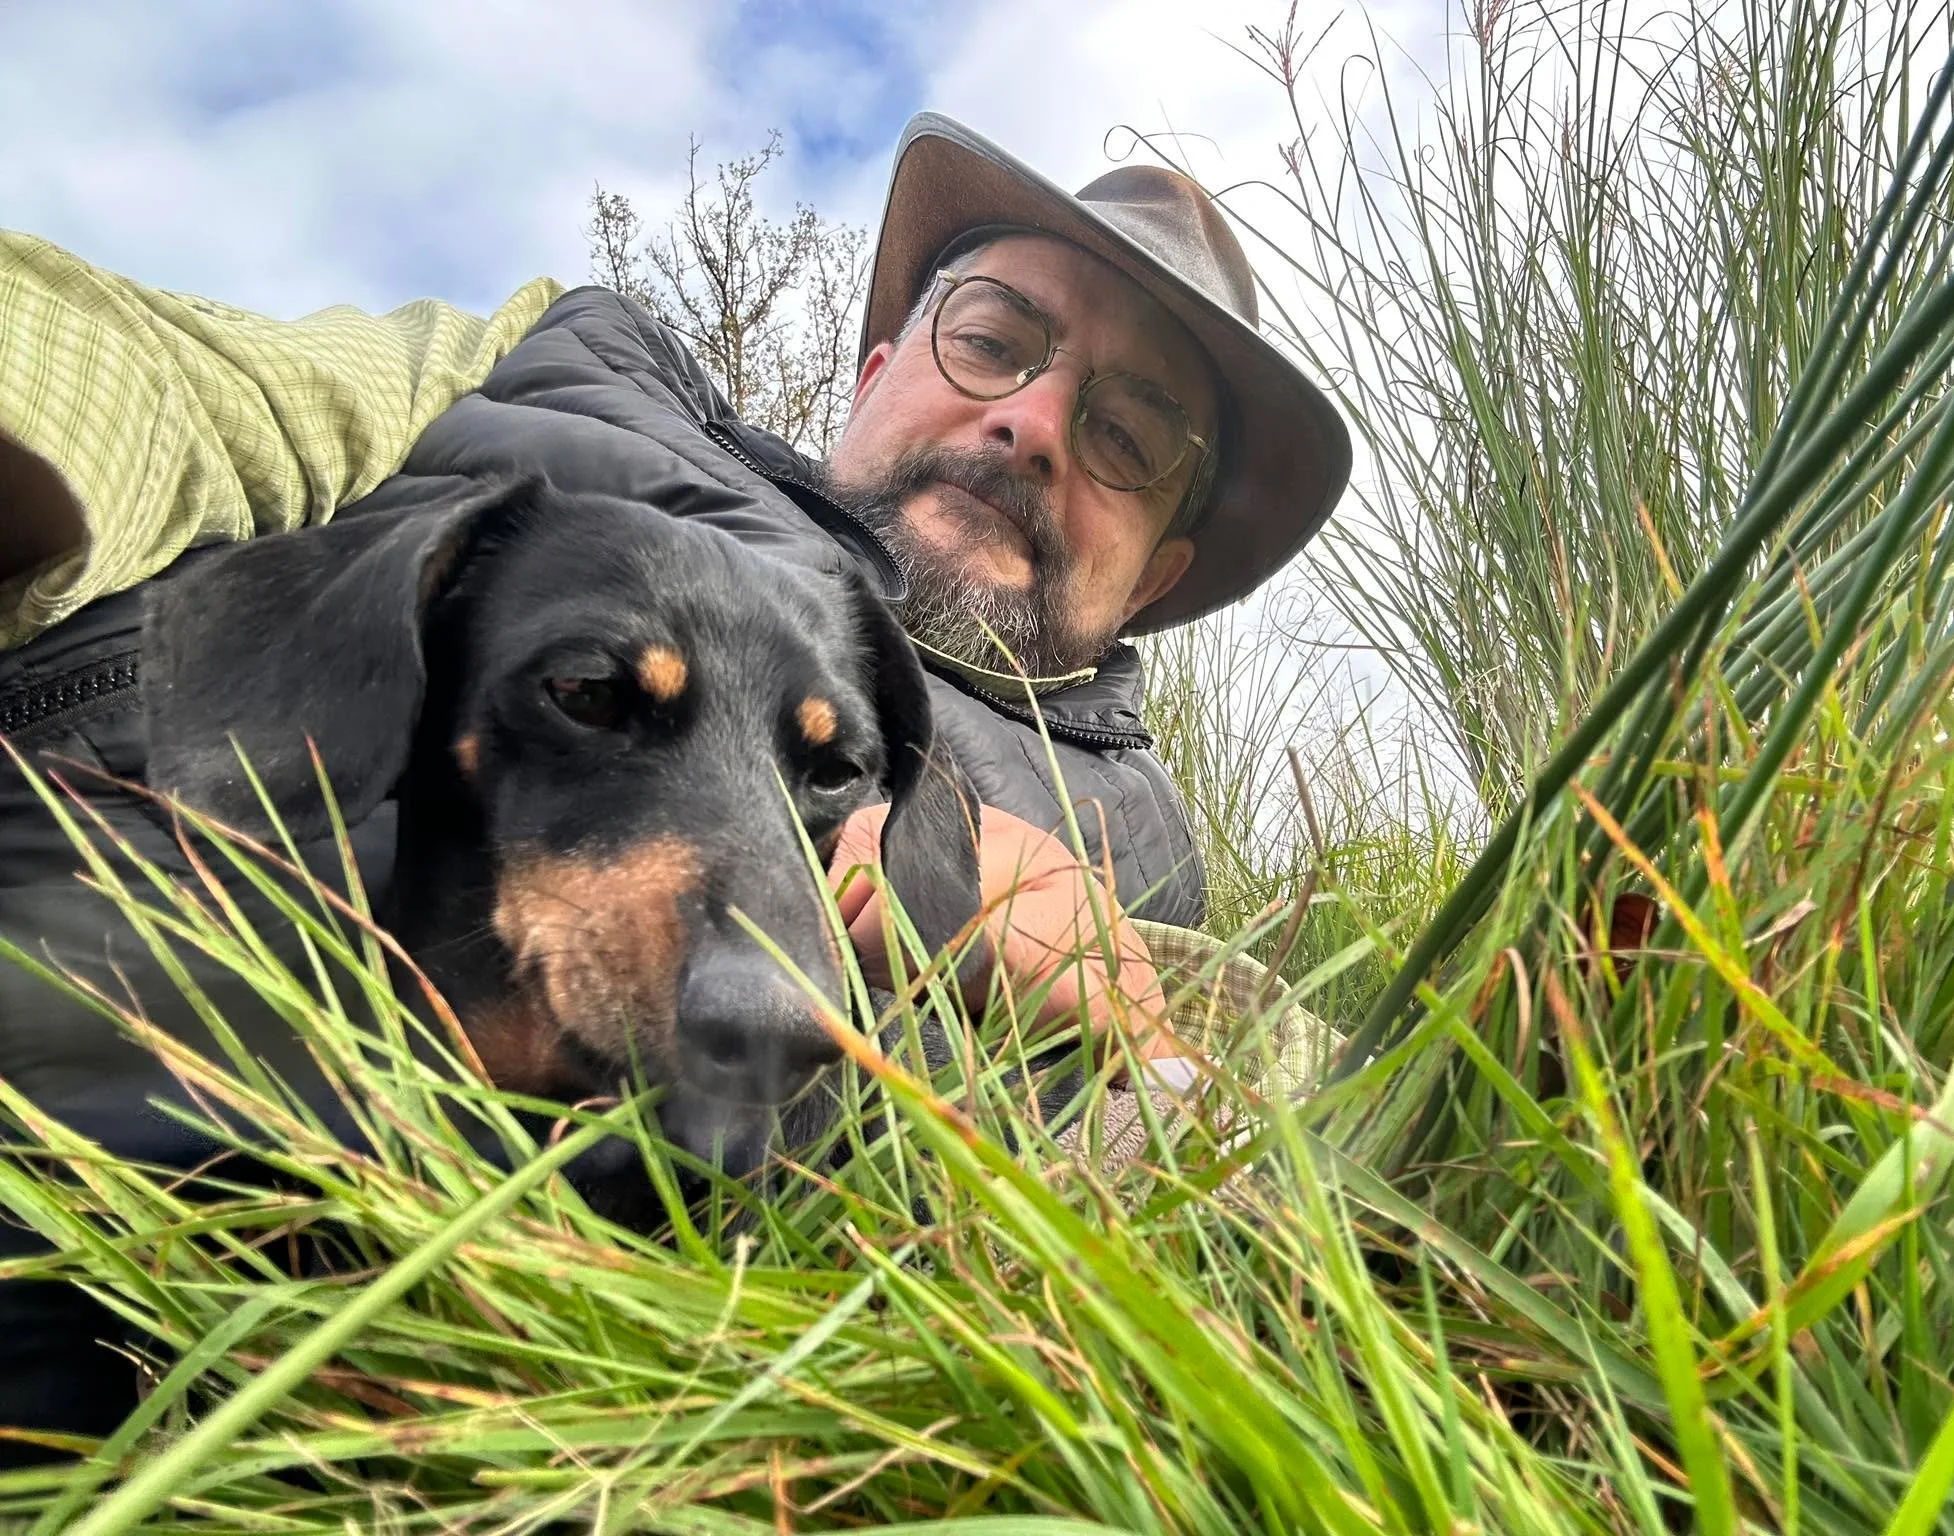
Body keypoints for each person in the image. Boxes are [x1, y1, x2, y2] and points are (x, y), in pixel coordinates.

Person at [0, 110, 1349, 1453]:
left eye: (1128, 434)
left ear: (1158, 571)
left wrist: (1099, 989)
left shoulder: (1135, 846)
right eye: (995, 341)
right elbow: (178, 378)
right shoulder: (570, 369)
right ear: (877, 371)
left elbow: (1232, 1104)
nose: (1033, 423)